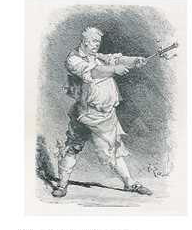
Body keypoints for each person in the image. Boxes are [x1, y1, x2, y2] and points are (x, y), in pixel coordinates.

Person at [52, 26, 152, 197]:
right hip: (84, 113)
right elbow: (92, 72)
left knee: (113, 149)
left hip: (104, 115)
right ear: (84, 41)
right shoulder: (74, 59)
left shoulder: (97, 57)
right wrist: (113, 70)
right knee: (72, 147)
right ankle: (62, 185)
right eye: (93, 41)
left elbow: (117, 60)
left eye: (98, 42)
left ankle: (130, 183)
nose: (96, 45)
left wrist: (136, 60)